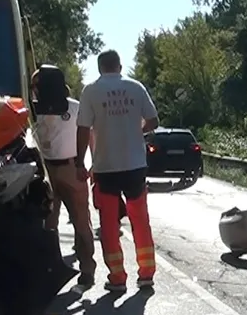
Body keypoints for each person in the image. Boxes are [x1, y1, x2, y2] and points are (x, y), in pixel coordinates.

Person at [76, 49, 159, 293]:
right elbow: (153, 121)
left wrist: (79, 162)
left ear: (100, 67)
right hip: (135, 165)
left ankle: (117, 276)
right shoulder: (136, 87)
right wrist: (135, 131)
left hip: (106, 167)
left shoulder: (91, 91)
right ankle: (146, 274)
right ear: (120, 66)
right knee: (140, 220)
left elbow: (83, 128)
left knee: (110, 224)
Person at [30, 65, 97, 288]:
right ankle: (82, 269)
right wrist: (90, 162)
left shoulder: (34, 110)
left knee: (61, 223)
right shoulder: (75, 108)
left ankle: (81, 268)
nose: (35, 89)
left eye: (37, 85)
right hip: (66, 168)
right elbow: (91, 135)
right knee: (74, 221)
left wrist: (89, 163)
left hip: (52, 170)